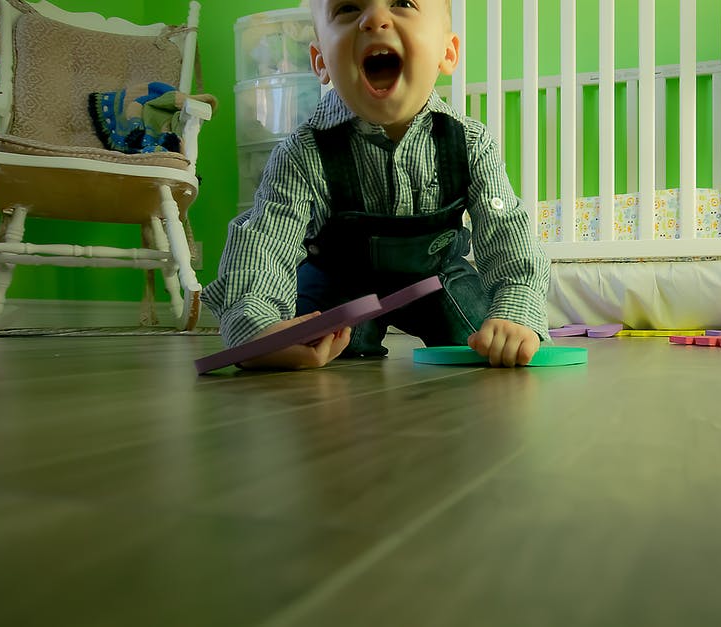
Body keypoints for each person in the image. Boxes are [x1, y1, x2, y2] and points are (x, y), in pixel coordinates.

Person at [202, 0, 550, 369]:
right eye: (349, 8)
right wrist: (258, 327)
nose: (374, 19)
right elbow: (265, 241)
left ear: (446, 53)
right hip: (340, 281)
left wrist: (517, 308)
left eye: (402, 3)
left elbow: (507, 233)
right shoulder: (303, 152)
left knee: (489, 339)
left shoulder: (470, 142)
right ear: (321, 62)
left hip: (438, 278)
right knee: (311, 342)